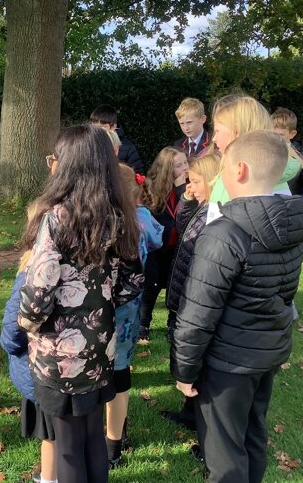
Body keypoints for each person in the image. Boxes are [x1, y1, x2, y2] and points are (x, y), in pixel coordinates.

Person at [172, 131, 303, 483]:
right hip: (265, 353)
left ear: (240, 170)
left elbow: (198, 311)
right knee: (252, 434)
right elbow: (285, 292)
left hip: (228, 363)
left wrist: (184, 369)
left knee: (225, 453)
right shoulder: (291, 224)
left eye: (224, 169)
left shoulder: (223, 233)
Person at [18, 124, 144, 483]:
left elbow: (37, 295)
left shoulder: (56, 218)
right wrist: (99, 304)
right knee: (91, 438)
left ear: (69, 165)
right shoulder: (118, 215)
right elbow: (133, 281)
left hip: (59, 355)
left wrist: (26, 325)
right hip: (100, 346)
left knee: (69, 447)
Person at [105, 165, 163, 468]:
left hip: (106, 311)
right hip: (130, 310)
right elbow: (158, 240)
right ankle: (117, 439)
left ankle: (106, 439)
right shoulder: (142, 219)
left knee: (103, 374)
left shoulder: (109, 224)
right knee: (121, 372)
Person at [160, 152, 221, 433]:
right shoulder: (202, 206)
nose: (189, 187)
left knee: (196, 360)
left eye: (195, 182)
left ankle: (202, 421)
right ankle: (189, 412)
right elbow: (182, 226)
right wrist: (187, 199)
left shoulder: (216, 214)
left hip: (193, 297)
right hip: (182, 290)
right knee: (184, 353)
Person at [0, 201, 57, 483]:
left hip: (42, 368)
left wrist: (11, 347)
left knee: (51, 433)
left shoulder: (31, 272)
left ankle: (50, 477)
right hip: (74, 367)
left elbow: (13, 330)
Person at [206, 93, 303, 223]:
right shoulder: (272, 175)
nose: (214, 138)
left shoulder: (239, 182)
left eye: (217, 131)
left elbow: (224, 231)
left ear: (236, 132)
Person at [137, 146, 188, 341]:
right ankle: (143, 323)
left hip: (179, 246)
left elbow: (188, 212)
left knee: (178, 285)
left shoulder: (189, 186)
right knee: (151, 285)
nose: (185, 168)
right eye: (179, 165)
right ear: (167, 168)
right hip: (157, 247)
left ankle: (173, 323)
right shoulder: (151, 187)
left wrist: (182, 189)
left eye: (185, 163)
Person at [271, 107, 303, 207]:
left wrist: (295, 207)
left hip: (290, 208)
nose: (276, 138)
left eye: (281, 135)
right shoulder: (263, 153)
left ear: (292, 134)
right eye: (272, 134)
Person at [89, 104, 145, 174]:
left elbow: (138, 174)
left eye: (101, 128)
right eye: (94, 128)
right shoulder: (88, 145)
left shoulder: (128, 147)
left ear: (113, 126)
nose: (96, 131)